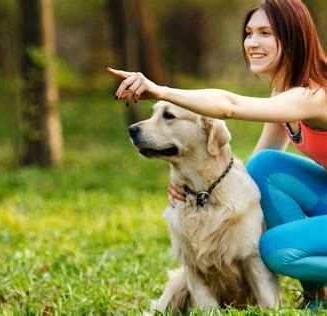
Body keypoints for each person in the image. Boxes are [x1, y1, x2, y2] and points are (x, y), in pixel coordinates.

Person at [108, 0, 327, 310]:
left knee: (276, 250)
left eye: (265, 33)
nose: (252, 42)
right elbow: (253, 175)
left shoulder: (315, 95)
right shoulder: (284, 95)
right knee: (265, 165)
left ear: (292, 38)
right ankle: (317, 296)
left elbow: (229, 106)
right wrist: (199, 189)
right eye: (249, 32)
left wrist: (161, 91)